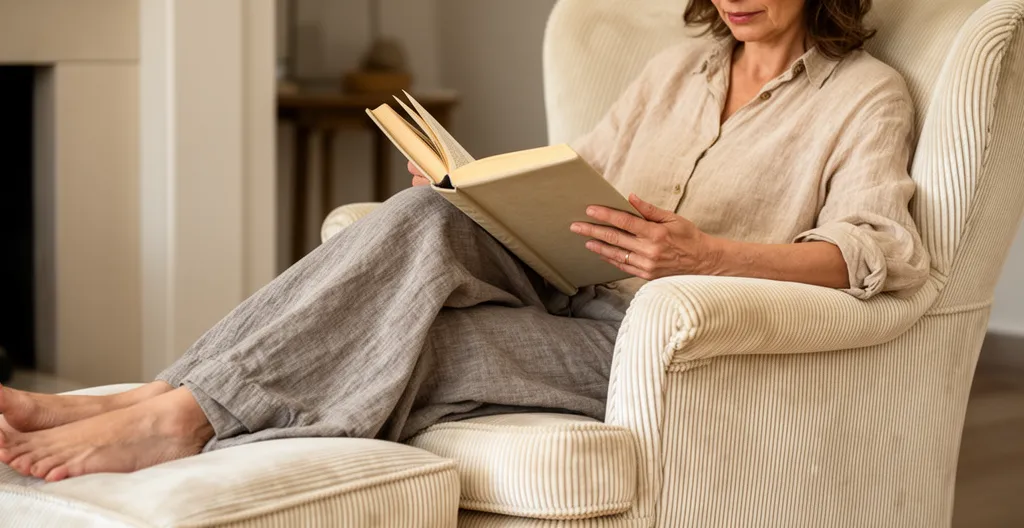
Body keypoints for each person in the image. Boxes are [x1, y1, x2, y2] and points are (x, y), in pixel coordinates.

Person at [0, 0, 928, 482]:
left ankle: (173, 415)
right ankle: (167, 402)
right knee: (424, 217)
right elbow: (582, 188)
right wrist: (476, 189)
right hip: (568, 284)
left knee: (424, 340)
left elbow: (875, 253)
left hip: (661, 344)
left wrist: (706, 256)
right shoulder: (676, 68)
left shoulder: (864, 95)